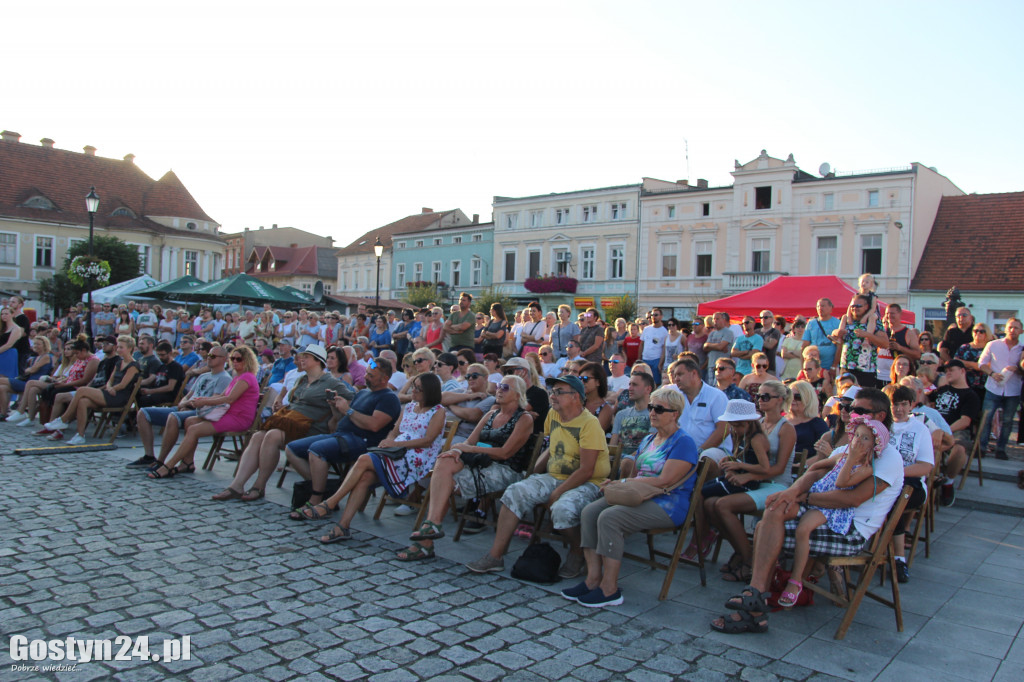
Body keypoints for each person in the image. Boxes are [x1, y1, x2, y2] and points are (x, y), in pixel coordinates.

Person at [709, 387, 904, 635]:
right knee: (776, 506)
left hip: (851, 529)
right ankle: (755, 597)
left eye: (859, 411)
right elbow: (816, 471)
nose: (851, 414)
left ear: (881, 416)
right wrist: (792, 493)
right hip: (823, 514)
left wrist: (805, 496)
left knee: (766, 524)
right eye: (849, 409)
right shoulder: (852, 447)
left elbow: (851, 499)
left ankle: (754, 603)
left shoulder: (889, 457)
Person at [565, 386, 698, 607]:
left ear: (675, 413)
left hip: (667, 503)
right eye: (651, 407)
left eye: (659, 409)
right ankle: (592, 580)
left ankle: (610, 589)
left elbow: (665, 480)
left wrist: (625, 482)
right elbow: (634, 474)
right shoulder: (649, 439)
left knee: (610, 518)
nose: (652, 412)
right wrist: (619, 482)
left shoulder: (683, 442)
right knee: (589, 512)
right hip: (640, 495)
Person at [466, 375, 609, 579]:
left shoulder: (589, 424)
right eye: (552, 391)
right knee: (515, 491)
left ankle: (578, 551)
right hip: (555, 475)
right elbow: (552, 448)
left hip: (588, 482)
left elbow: (587, 470)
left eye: (559, 392)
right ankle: (495, 556)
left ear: (576, 397)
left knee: (562, 508)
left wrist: (557, 492)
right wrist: (532, 475)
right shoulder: (554, 415)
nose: (553, 395)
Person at [399, 375, 536, 560]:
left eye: (505, 387)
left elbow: (504, 453)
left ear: (518, 394)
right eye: (498, 386)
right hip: (478, 462)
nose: (499, 390)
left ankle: (426, 541)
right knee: (445, 460)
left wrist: (468, 448)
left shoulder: (524, 419)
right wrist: (457, 451)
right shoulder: (491, 414)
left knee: (444, 482)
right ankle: (432, 526)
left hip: (504, 469)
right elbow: (469, 441)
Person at [311, 373, 446, 543]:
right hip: (396, 452)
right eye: (413, 385)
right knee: (365, 477)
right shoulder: (410, 407)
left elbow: (428, 441)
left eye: (418, 388)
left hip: (418, 456)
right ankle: (342, 527)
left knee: (364, 460)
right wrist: (388, 440)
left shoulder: (438, 412)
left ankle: (330, 503)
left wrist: (396, 445)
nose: (413, 390)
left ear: (429, 391)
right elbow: (395, 431)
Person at [213, 348, 347, 502]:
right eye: (301, 357)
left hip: (312, 427)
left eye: (306, 357)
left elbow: (350, 398)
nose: (301, 359)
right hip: (292, 422)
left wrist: (337, 407)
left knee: (272, 435)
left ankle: (259, 485)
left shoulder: (331, 382)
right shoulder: (302, 380)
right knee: (258, 436)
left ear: (318, 361)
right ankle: (237, 485)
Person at [778, 415, 884, 607]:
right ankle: (778, 570)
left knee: (804, 529)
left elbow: (841, 483)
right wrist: (814, 471)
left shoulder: (866, 468)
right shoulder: (842, 455)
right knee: (779, 514)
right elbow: (821, 465)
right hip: (817, 494)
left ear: (874, 445)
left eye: (865, 438)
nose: (858, 440)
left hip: (832, 508)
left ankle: (796, 580)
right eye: (857, 435)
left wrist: (851, 460)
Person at [285, 357, 401, 513]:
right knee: (292, 449)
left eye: (371, 375)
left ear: (385, 379)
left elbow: (374, 425)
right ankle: (326, 490)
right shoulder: (363, 393)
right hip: (341, 435)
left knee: (316, 451)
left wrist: (348, 410)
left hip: (362, 441)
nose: (366, 377)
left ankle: (316, 498)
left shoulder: (389, 398)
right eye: (366, 373)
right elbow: (343, 419)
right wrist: (336, 407)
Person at [148, 346, 261, 478]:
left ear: (247, 360)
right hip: (228, 414)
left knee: (194, 430)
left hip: (238, 418)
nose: (234, 361)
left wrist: (204, 402)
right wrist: (202, 400)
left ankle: (169, 465)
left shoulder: (246, 377)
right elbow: (222, 396)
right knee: (190, 421)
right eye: (232, 358)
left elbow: (229, 399)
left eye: (238, 359)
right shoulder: (237, 377)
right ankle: (187, 462)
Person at [131, 346, 232, 470]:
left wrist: (187, 404)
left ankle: (161, 461)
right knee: (143, 413)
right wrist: (183, 404)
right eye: (208, 355)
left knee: (173, 417)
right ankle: (149, 456)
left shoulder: (225, 378)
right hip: (186, 407)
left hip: (199, 412)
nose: (208, 358)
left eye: (213, 356)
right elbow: (187, 396)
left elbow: (212, 402)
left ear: (224, 359)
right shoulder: (203, 376)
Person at [43, 335, 141, 446]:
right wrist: (110, 387)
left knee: (82, 391)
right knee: (82, 401)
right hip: (110, 392)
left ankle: (64, 420)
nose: (118, 349)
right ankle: (80, 435)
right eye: (118, 347)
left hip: (119, 396)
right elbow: (110, 380)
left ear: (130, 348)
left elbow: (123, 385)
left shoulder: (133, 365)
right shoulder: (119, 363)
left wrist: (113, 388)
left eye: (121, 347)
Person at [885, 385, 935, 583]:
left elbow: (925, 465)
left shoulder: (920, 428)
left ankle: (898, 558)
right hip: (881, 479)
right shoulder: (881, 425)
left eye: (903, 404)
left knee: (894, 502)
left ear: (910, 405)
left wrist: (898, 473)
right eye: (894, 404)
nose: (898, 409)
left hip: (909, 482)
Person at [931, 359, 980, 506]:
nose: (948, 373)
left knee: (959, 449)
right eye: (946, 371)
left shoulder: (970, 395)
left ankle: (948, 482)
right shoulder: (941, 390)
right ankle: (928, 479)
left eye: (951, 370)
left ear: (962, 371)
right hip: (934, 428)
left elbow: (965, 421)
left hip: (957, 431)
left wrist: (944, 431)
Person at [977, 317, 1023, 460]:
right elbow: (981, 363)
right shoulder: (993, 344)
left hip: (1013, 389)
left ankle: (1001, 449)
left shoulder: (1022, 348)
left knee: (1008, 421)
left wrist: (1017, 368)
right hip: (993, 387)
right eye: (1010, 327)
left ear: (1021, 331)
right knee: (987, 418)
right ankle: (982, 447)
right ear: (1005, 328)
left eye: (1016, 327)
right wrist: (992, 373)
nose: (1012, 330)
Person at [833, 295, 888, 388]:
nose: (855, 308)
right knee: (846, 397)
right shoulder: (847, 320)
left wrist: (867, 335)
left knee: (864, 399)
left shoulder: (873, 322)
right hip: (846, 368)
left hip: (865, 370)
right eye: (853, 306)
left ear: (866, 307)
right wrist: (836, 333)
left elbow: (885, 343)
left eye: (858, 306)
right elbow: (835, 337)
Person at [611, 372, 655, 476]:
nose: (630, 388)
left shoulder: (655, 415)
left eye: (635, 385)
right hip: (619, 460)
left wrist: (625, 460)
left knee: (628, 462)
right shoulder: (621, 414)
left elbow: (649, 446)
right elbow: (613, 444)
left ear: (648, 389)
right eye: (629, 384)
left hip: (640, 463)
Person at [0, 336, 55, 419]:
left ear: (44, 345)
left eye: (38, 344)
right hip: (27, 381)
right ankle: (3, 413)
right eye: (34, 344)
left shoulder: (46, 356)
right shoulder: (35, 358)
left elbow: (32, 370)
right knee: (2, 387)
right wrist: (29, 370)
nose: (35, 346)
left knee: (1, 380)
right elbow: (28, 370)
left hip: (34, 382)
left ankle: (19, 411)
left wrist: (29, 369)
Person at [787, 381, 829, 459]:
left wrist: (802, 465)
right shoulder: (781, 422)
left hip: (806, 468)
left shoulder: (818, 424)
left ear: (808, 399)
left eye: (797, 397)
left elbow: (823, 454)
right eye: (790, 396)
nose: (792, 400)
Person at [802, 298, 840, 374]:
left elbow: (839, 346)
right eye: (818, 306)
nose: (820, 308)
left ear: (831, 308)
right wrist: (803, 366)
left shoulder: (837, 323)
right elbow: (804, 345)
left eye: (823, 306)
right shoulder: (811, 323)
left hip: (829, 365)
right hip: (813, 367)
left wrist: (834, 365)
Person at [639, 308, 668, 385]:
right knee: (644, 382)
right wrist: (639, 358)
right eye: (652, 315)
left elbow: (664, 349)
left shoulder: (664, 331)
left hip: (656, 359)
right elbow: (642, 344)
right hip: (645, 359)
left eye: (656, 315)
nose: (653, 317)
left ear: (661, 316)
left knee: (655, 382)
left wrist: (660, 363)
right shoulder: (646, 329)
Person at [758, 310, 782, 376]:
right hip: (756, 365)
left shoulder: (774, 332)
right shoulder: (756, 331)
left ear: (771, 319)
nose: (763, 319)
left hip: (769, 366)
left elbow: (770, 345)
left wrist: (757, 340)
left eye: (765, 317)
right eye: (761, 318)